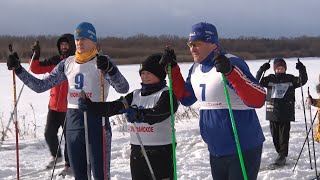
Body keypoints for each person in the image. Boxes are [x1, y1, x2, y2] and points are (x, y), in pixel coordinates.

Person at [7, 22, 129, 180]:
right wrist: (19, 69)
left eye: (84, 38)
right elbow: (41, 86)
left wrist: (111, 70)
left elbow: (123, 88)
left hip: (97, 121)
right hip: (73, 121)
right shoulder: (67, 63)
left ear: (93, 41)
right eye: (77, 39)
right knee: (79, 174)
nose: (79, 42)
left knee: (101, 175)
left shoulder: (102, 61)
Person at [159, 22, 266, 180]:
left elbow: (259, 98)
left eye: (197, 44)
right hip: (216, 149)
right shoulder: (196, 68)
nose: (192, 48)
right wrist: (173, 68)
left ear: (212, 43)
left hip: (242, 148)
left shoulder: (231, 62)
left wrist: (230, 72)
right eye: (190, 44)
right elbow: (186, 98)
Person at [78, 53, 179, 180]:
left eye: (149, 73)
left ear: (159, 74)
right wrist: (91, 106)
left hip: (161, 150)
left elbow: (158, 113)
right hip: (137, 150)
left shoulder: (167, 94)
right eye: (143, 73)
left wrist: (140, 115)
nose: (145, 76)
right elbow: (114, 107)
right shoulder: (135, 95)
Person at [29, 34, 75, 175]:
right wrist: (36, 55)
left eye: (66, 44)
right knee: (49, 133)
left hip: (69, 107)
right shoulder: (55, 61)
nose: (63, 47)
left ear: (72, 45)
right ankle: (57, 157)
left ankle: (69, 165)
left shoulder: (77, 62)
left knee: (69, 139)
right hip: (54, 106)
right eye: (61, 44)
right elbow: (35, 69)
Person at [256, 58, 308, 165]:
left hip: (286, 112)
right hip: (272, 112)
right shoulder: (270, 79)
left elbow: (302, 81)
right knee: (275, 136)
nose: (280, 70)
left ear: (285, 69)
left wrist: (302, 69)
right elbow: (258, 81)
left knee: (284, 136)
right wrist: (262, 69)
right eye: (278, 68)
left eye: (282, 68)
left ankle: (282, 155)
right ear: (275, 69)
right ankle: (279, 153)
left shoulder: (290, 79)